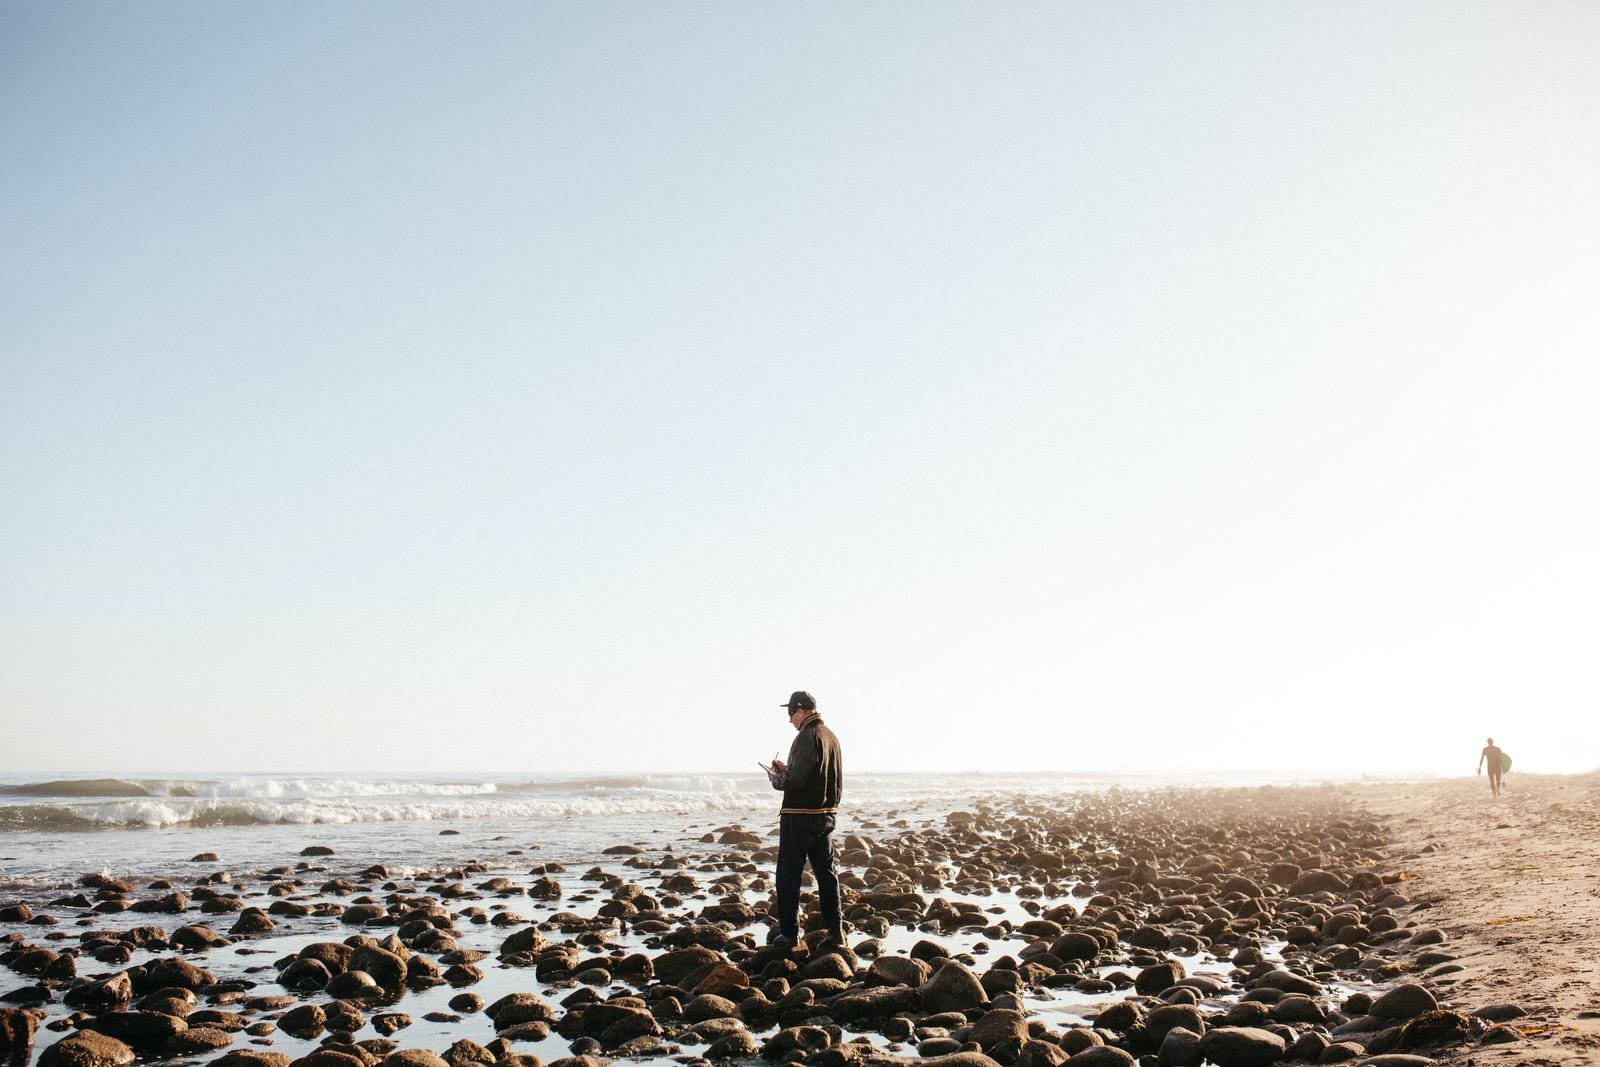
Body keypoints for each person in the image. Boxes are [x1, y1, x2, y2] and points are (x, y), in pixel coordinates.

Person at [760, 690, 843, 949]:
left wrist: (776, 779)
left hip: (799, 816)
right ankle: (836, 932)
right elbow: (815, 774)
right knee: (826, 875)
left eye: (791, 714)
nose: (790, 720)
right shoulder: (830, 736)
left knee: (788, 875)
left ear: (801, 710)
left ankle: (790, 935)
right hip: (825, 816)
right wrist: (788, 769)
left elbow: (795, 781)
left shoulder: (807, 735)